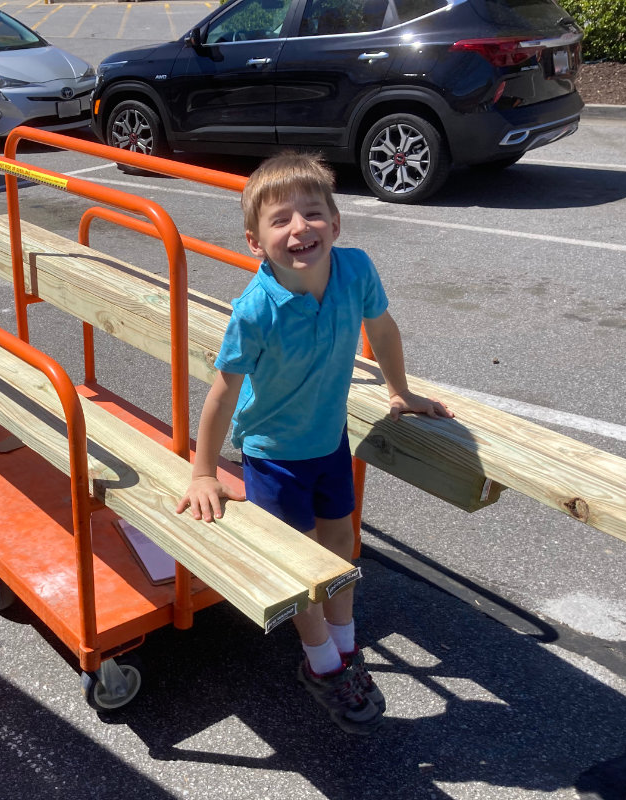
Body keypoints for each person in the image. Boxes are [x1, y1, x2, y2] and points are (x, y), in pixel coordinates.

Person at [176, 152, 453, 734]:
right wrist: (203, 472)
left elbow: (382, 329)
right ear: (256, 242)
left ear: (336, 222)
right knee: (297, 564)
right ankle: (323, 664)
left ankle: (347, 651)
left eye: (312, 214)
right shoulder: (255, 310)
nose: (299, 228)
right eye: (281, 221)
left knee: (339, 545)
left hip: (329, 441)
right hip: (275, 454)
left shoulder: (355, 271)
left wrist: (400, 391)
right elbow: (224, 393)